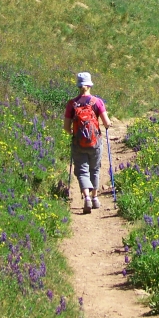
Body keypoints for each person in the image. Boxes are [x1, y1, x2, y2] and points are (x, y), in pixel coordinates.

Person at [64, 72, 112, 214]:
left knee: (82, 171)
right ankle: (95, 197)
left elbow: (66, 128)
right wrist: (109, 124)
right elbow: (106, 123)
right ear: (90, 84)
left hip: (79, 143)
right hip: (95, 142)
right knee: (95, 169)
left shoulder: (71, 104)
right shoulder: (97, 102)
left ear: (78, 85)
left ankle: (86, 197)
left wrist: (75, 134)